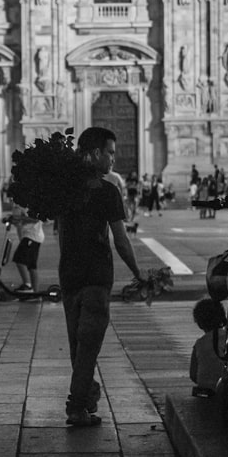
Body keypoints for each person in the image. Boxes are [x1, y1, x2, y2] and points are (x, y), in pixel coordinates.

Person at [57, 127, 143, 427]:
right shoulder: (107, 191)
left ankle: (87, 394)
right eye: (110, 152)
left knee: (77, 346)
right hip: (95, 277)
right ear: (95, 153)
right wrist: (138, 273)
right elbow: (121, 240)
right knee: (89, 347)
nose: (112, 160)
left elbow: (62, 235)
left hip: (69, 276)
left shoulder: (64, 190)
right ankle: (77, 406)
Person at [190, 299, 226, 397]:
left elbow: (193, 374)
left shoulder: (199, 344)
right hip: (225, 389)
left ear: (199, 323)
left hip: (205, 391)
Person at [10, 202, 45, 295]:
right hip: (31, 236)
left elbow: (36, 219)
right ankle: (35, 292)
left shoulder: (32, 203)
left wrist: (20, 218)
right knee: (31, 265)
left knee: (19, 259)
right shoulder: (21, 204)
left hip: (32, 236)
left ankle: (27, 285)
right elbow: (19, 221)